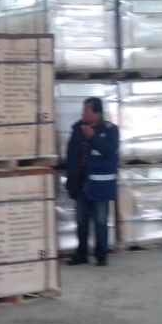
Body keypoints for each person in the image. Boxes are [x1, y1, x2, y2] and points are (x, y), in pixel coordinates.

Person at [64, 97, 119, 267]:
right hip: (81, 183)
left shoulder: (110, 130)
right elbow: (71, 156)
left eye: (86, 110)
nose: (83, 113)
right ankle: (81, 254)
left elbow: (109, 151)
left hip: (100, 186)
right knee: (81, 221)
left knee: (100, 221)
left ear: (97, 113)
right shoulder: (77, 129)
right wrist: (70, 180)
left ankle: (101, 256)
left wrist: (93, 137)